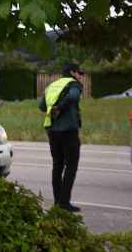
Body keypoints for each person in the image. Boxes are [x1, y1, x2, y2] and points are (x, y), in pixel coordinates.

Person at [39, 62, 84, 212]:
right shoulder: (74, 84)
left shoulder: (52, 86)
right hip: (68, 131)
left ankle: (58, 201)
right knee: (71, 165)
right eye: (79, 73)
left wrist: (54, 108)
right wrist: (60, 108)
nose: (80, 76)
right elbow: (74, 97)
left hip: (52, 130)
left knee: (57, 165)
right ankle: (64, 203)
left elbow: (42, 106)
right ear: (72, 72)